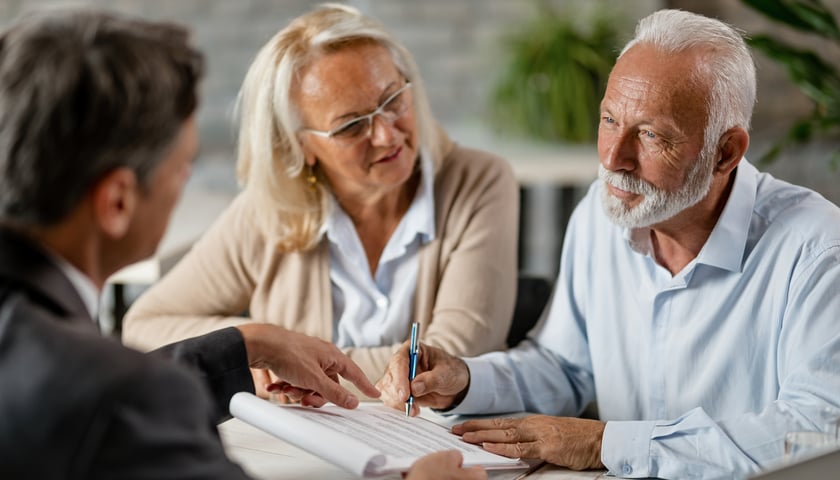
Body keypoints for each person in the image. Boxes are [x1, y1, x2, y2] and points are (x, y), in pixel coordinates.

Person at [0, 9, 485, 479]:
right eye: (183, 168)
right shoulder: (123, 402)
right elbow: (117, 390)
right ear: (118, 202)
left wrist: (249, 344)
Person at [376, 8, 840, 479]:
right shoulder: (599, 218)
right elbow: (565, 367)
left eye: (651, 135)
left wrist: (606, 443)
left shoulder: (819, 250)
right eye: (610, 120)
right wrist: (466, 380)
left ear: (726, 152)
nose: (614, 158)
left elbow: (817, 431)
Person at [121, 2, 518, 398]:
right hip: (300, 450)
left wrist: (295, 363)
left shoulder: (479, 181)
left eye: (393, 99)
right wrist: (257, 345)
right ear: (301, 146)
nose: (387, 135)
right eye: (351, 125)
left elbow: (452, 362)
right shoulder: (269, 210)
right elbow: (144, 326)